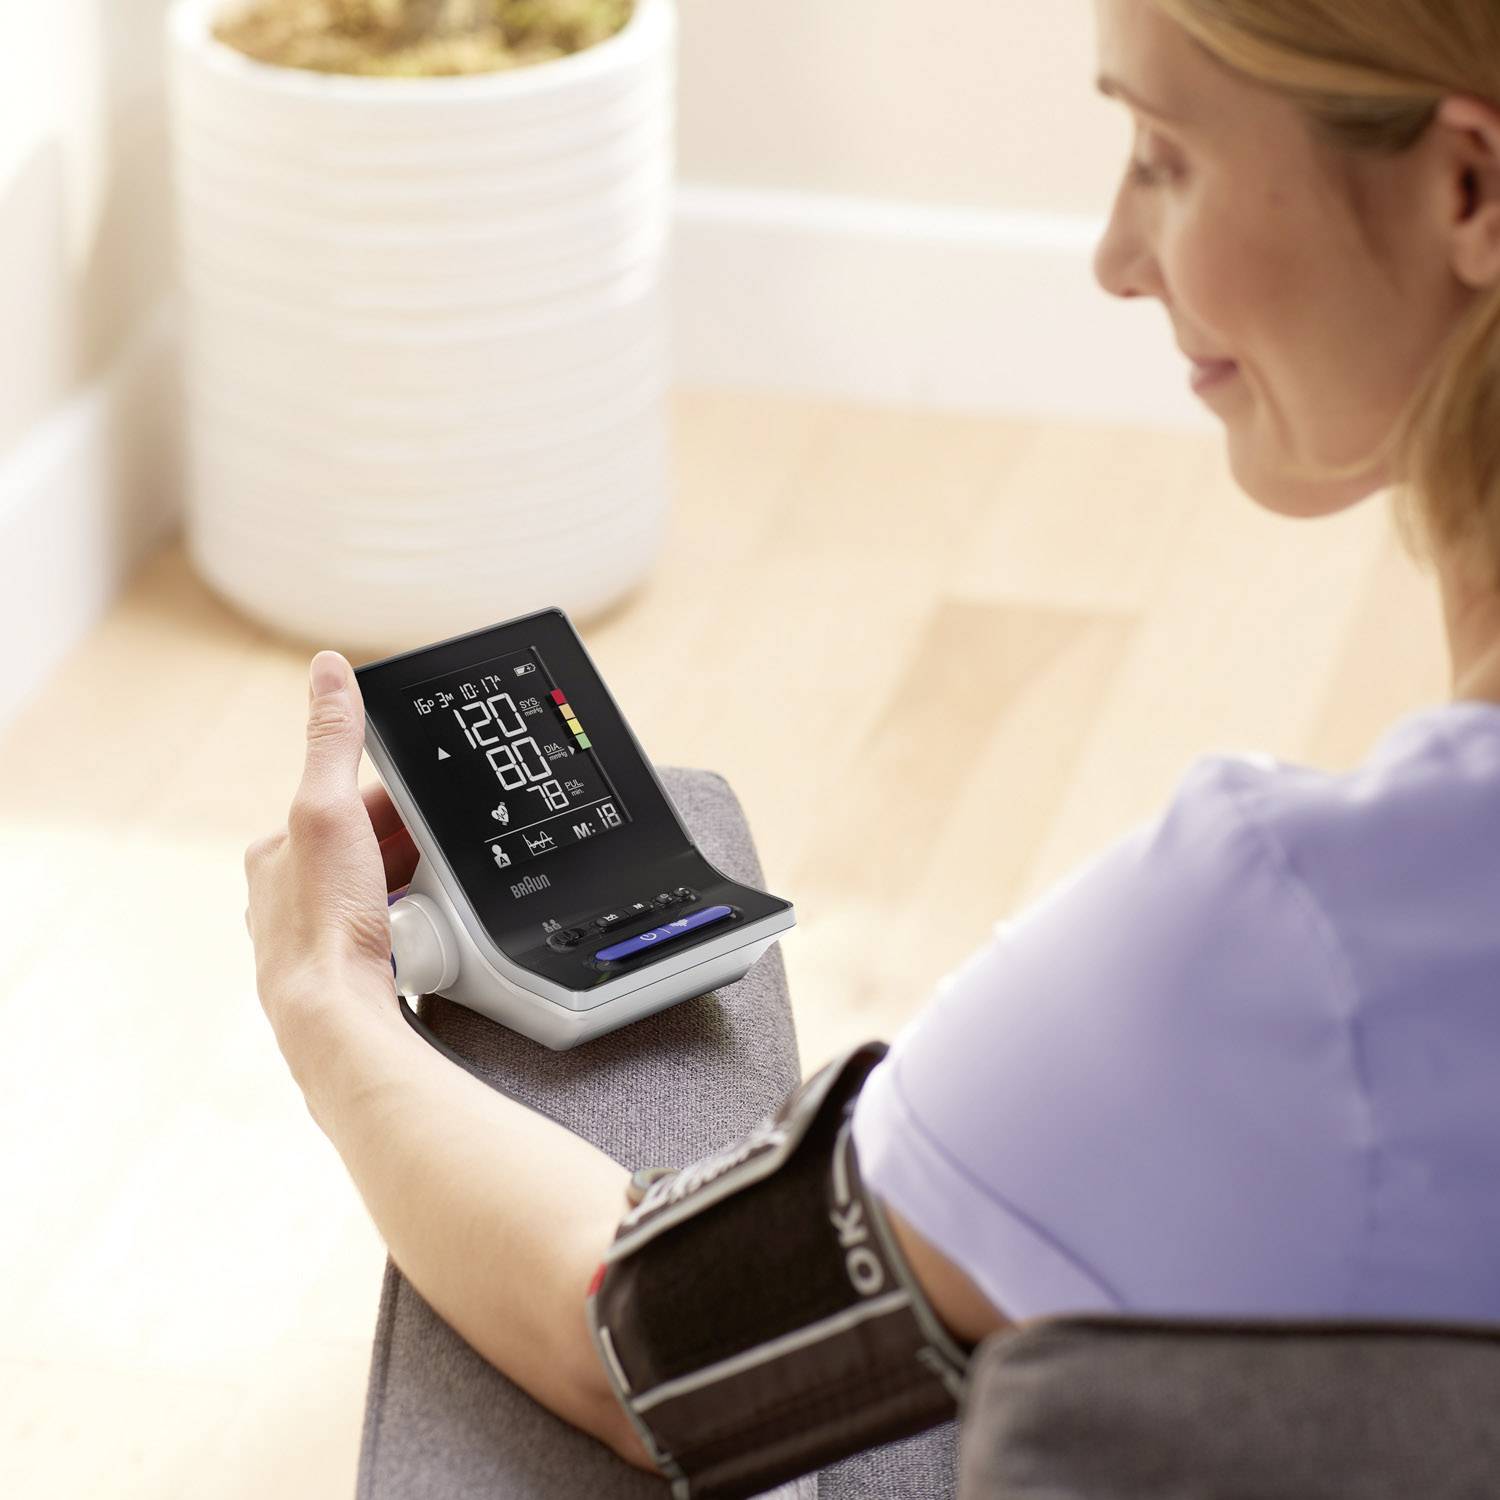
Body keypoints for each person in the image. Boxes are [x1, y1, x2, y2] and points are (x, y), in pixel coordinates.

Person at [243, 0, 1500, 1487]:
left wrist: (328, 1005)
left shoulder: (1296, 940)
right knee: (664, 852)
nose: (1116, 255)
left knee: (589, 975)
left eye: (1166, 158)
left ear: (1470, 189)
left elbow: (637, 1343)